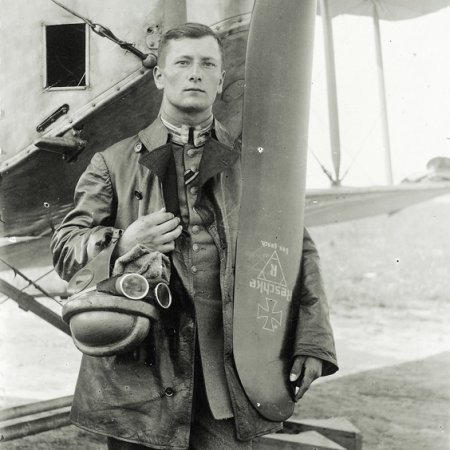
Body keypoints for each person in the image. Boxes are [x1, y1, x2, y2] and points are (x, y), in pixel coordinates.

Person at [51, 23, 337, 450]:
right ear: (160, 76)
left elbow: (300, 252)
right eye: (183, 63)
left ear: (221, 80)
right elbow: (65, 246)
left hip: (230, 376)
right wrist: (123, 243)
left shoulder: (256, 167)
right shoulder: (110, 163)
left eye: (208, 64)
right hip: (141, 384)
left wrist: (312, 341)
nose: (195, 73)